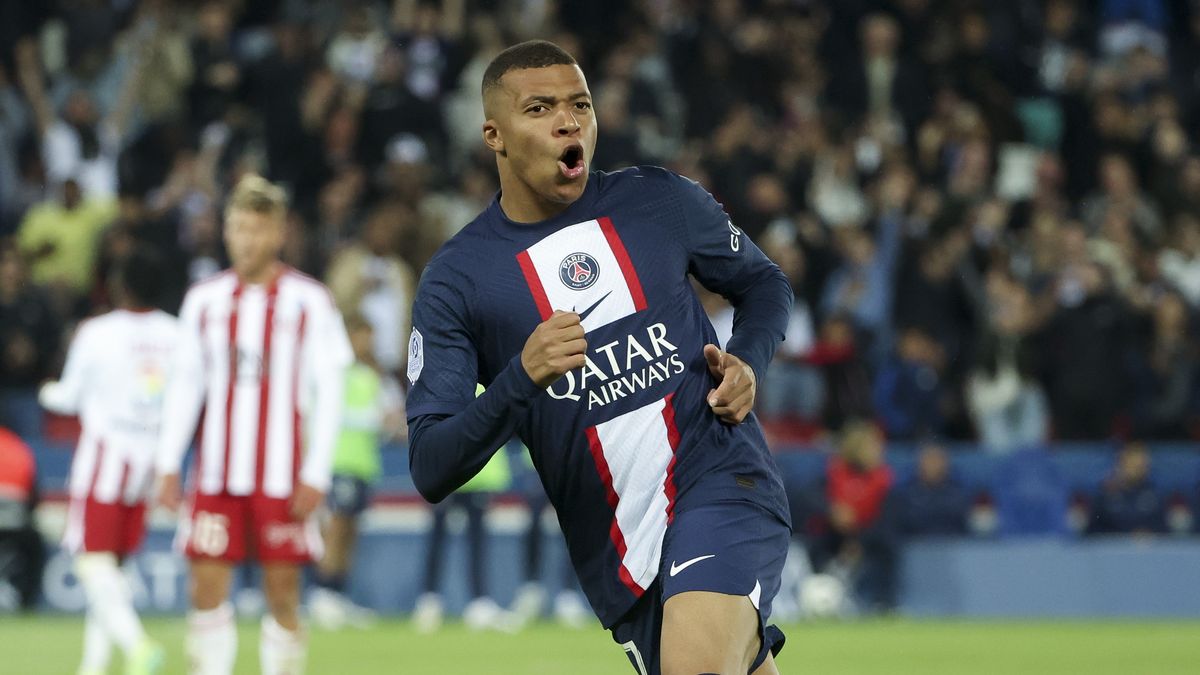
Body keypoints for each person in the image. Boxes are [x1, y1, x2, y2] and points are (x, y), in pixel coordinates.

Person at [406, 41, 793, 674]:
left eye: (579, 104)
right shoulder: (459, 279)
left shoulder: (659, 201)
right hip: (618, 555)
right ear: (494, 136)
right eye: (539, 108)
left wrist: (748, 359)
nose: (568, 121)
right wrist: (520, 378)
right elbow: (430, 464)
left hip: (722, 482)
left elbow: (764, 284)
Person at [155, 175, 352, 675]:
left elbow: (330, 393)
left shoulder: (310, 301)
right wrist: (166, 461)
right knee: (204, 591)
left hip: (283, 477)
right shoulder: (204, 300)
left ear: (279, 233)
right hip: (217, 474)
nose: (247, 239)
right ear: (226, 231)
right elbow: (185, 386)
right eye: (238, 227)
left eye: (257, 229)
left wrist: (317, 472)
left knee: (283, 596)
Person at [37, 247, 174, 675]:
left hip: (105, 459)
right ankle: (93, 666)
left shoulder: (97, 331)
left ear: (120, 285)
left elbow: (70, 396)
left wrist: (46, 391)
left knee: (92, 562)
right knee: (112, 570)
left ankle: (137, 647)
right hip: (148, 462)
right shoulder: (176, 334)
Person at [309, 315, 403, 630]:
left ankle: (336, 594)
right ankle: (322, 595)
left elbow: (392, 418)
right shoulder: (332, 373)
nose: (367, 344)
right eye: (362, 336)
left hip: (364, 464)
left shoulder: (375, 376)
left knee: (349, 531)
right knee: (335, 528)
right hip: (338, 462)